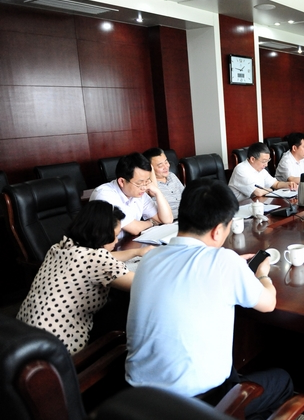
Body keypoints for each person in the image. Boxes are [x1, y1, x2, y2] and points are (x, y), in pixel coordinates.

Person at [125, 178, 293, 420]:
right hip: (195, 403)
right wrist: (262, 274)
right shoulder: (225, 262)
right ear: (217, 230)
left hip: (138, 397)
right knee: (283, 381)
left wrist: (233, 267)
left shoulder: (151, 258)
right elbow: (268, 303)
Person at [16, 201, 151, 354]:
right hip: (58, 351)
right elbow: (145, 285)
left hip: (23, 338)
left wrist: (136, 252)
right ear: (100, 235)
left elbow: (96, 258)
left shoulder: (60, 247)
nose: (116, 241)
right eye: (114, 236)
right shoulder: (97, 260)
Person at [90, 152, 173, 239]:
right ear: (122, 182)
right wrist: (151, 222)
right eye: (139, 183)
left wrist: (157, 192)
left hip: (128, 242)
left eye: (147, 181)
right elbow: (135, 228)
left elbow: (167, 220)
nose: (144, 187)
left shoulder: (139, 192)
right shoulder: (105, 195)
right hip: (106, 246)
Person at [228, 142, 298, 201]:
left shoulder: (260, 169)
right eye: (264, 161)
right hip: (239, 207)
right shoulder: (241, 169)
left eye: (268, 161)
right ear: (252, 159)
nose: (266, 165)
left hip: (256, 203)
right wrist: (270, 190)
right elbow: (258, 193)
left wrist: (288, 184)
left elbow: (276, 184)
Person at [143, 147, 184, 219]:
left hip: (187, 215)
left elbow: (185, 196)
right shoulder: (147, 184)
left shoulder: (172, 175)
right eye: (160, 165)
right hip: (170, 220)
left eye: (166, 162)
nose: (166, 167)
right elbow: (152, 192)